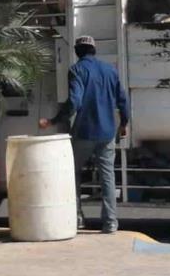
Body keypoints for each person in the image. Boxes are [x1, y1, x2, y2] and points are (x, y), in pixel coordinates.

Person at [39, 35, 129, 233]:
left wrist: (53, 121)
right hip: (107, 132)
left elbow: (74, 102)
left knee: (73, 172)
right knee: (108, 176)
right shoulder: (110, 70)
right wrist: (124, 123)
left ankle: (77, 217)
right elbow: (123, 100)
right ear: (94, 50)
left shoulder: (76, 70)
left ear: (77, 52)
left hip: (84, 132)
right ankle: (110, 223)